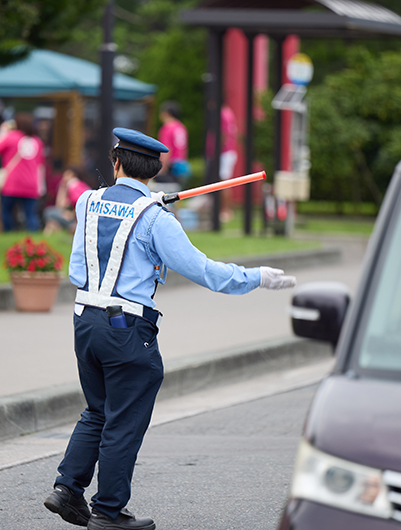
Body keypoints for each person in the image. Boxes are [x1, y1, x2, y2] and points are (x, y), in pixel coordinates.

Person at [44, 128, 297, 530]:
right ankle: (108, 512)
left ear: (116, 162)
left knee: (97, 411)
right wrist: (258, 277)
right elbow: (206, 272)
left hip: (85, 321)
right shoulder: (156, 219)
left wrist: (147, 207)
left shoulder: (87, 202)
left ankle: (67, 489)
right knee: (123, 420)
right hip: (126, 327)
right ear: (155, 171)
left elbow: (83, 261)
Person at [0, 112, 45, 232]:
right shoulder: (37, 141)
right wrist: (41, 186)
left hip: (12, 183)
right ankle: (33, 239)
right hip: (31, 184)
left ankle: (8, 235)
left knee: (7, 211)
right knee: (30, 215)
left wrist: (2, 131)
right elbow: (40, 166)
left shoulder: (11, 137)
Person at [153, 101, 189, 194]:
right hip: (182, 164)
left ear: (166, 113)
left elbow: (166, 149)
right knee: (178, 193)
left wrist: (162, 168)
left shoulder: (167, 128)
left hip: (172, 166)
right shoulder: (181, 127)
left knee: (168, 193)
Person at [42, 166, 91, 235]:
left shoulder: (73, 185)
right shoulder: (79, 184)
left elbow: (79, 202)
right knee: (52, 217)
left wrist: (72, 214)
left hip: (79, 219)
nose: (64, 177)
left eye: (67, 174)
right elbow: (60, 205)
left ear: (74, 175)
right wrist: (62, 188)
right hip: (84, 217)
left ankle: (55, 232)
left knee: (48, 213)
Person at [218, 105, 239, 223]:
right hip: (229, 151)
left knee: (224, 182)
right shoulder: (228, 112)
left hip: (225, 152)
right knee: (224, 181)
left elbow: (224, 134)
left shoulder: (222, 113)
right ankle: (225, 209)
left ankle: (226, 210)